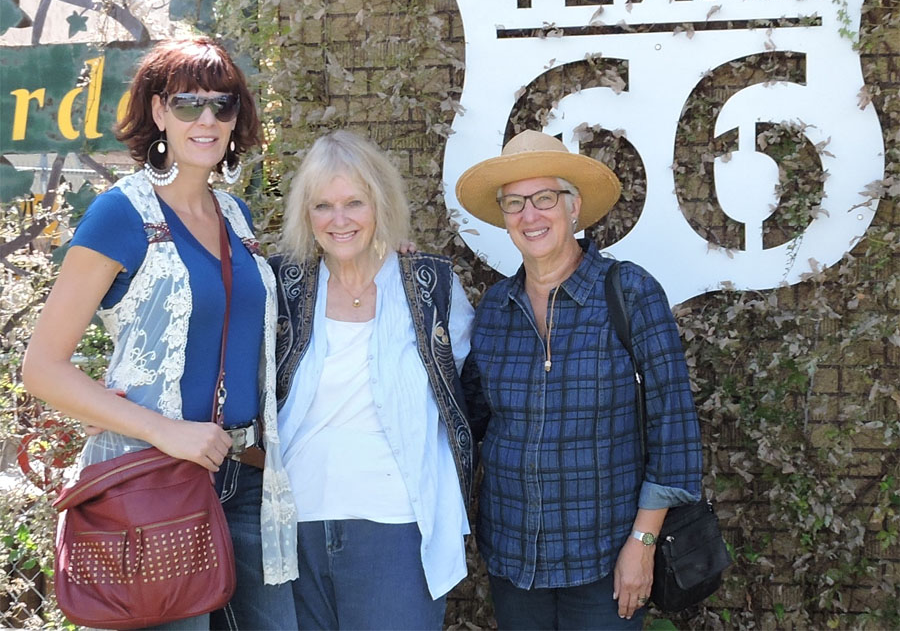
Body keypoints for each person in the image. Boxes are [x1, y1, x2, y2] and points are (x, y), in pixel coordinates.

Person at [22, 37, 298, 630]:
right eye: (187, 103)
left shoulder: (236, 215)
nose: (206, 119)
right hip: (152, 484)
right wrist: (165, 432)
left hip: (246, 475)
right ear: (157, 114)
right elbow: (42, 367)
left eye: (222, 106)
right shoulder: (120, 214)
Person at [455, 129, 703, 629]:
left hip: (607, 559)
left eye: (545, 197)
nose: (530, 215)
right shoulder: (494, 311)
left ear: (574, 206)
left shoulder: (630, 293)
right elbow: (468, 425)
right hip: (513, 560)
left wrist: (643, 544)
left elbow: (674, 433)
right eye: (515, 203)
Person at [270, 129, 475, 630]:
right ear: (306, 215)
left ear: (379, 204)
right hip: (296, 526)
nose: (339, 221)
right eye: (323, 207)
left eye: (354, 203)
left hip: (398, 526)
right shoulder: (282, 286)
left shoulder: (432, 288)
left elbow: (469, 394)